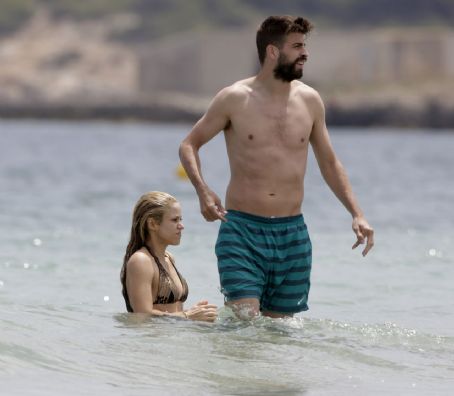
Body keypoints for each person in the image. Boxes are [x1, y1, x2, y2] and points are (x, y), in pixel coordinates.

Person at [179, 16, 374, 318]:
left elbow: (329, 162)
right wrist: (203, 191)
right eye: (296, 46)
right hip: (242, 230)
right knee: (244, 325)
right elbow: (189, 144)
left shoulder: (310, 101)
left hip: (292, 235)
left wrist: (357, 213)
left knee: (278, 337)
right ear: (272, 52)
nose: (304, 53)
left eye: (304, 46)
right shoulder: (234, 98)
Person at [120, 191, 217, 322]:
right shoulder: (141, 261)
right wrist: (188, 316)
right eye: (174, 220)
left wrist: (195, 313)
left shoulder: (169, 258)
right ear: (153, 224)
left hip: (171, 339)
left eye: (180, 219)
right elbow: (142, 315)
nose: (181, 226)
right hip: (152, 340)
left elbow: (172, 312)